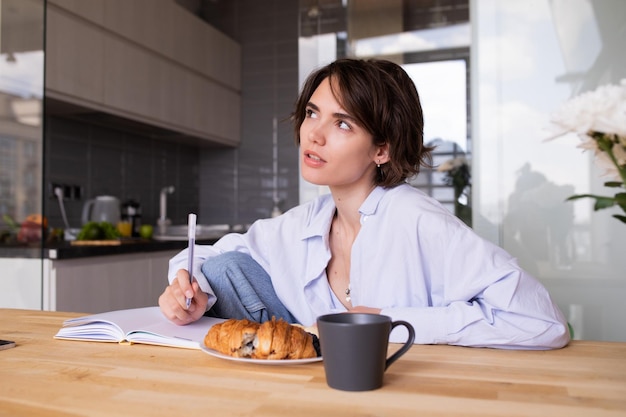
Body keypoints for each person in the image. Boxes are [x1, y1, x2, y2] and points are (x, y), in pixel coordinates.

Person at [158, 58, 570, 349]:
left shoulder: (416, 220)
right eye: (312, 113)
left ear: (382, 150)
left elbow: (543, 323)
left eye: (342, 123)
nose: (313, 135)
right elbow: (215, 257)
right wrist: (186, 288)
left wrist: (390, 321)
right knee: (223, 269)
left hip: (405, 392)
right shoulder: (307, 221)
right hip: (315, 386)